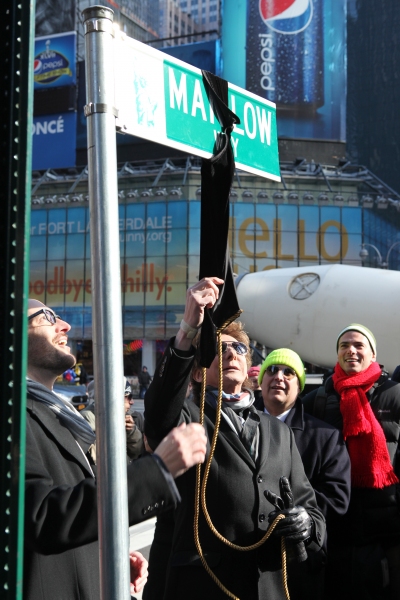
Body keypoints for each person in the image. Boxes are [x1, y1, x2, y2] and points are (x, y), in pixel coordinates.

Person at [144, 277, 326, 600]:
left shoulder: (277, 431)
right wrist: (188, 328)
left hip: (268, 589)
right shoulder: (187, 417)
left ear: (247, 365)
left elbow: (310, 508)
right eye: (219, 348)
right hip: (204, 587)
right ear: (199, 371)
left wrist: (307, 525)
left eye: (239, 348)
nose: (231, 354)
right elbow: (158, 416)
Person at [24, 299, 207, 600]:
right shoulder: (14, 417)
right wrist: (157, 470)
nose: (65, 326)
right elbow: (42, 516)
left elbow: (69, 515)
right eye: (47, 317)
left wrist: (107, 557)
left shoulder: (60, 418)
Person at [302, 323, 400, 600]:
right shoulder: (316, 400)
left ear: (373, 354)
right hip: (334, 526)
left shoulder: (394, 394)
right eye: (344, 345)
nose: (351, 351)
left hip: (386, 529)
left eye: (359, 345)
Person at [256, 348, 351, 600]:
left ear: (299, 387)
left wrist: (305, 518)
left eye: (289, 372)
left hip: (300, 565)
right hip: (250, 564)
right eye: (272, 370)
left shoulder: (326, 436)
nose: (279, 376)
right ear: (260, 382)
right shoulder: (238, 430)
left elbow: (337, 498)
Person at [81, 377, 144, 462]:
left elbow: (137, 452)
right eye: (128, 397)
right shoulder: (87, 418)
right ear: (112, 399)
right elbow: (98, 459)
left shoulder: (129, 416)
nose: (132, 402)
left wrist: (131, 431)